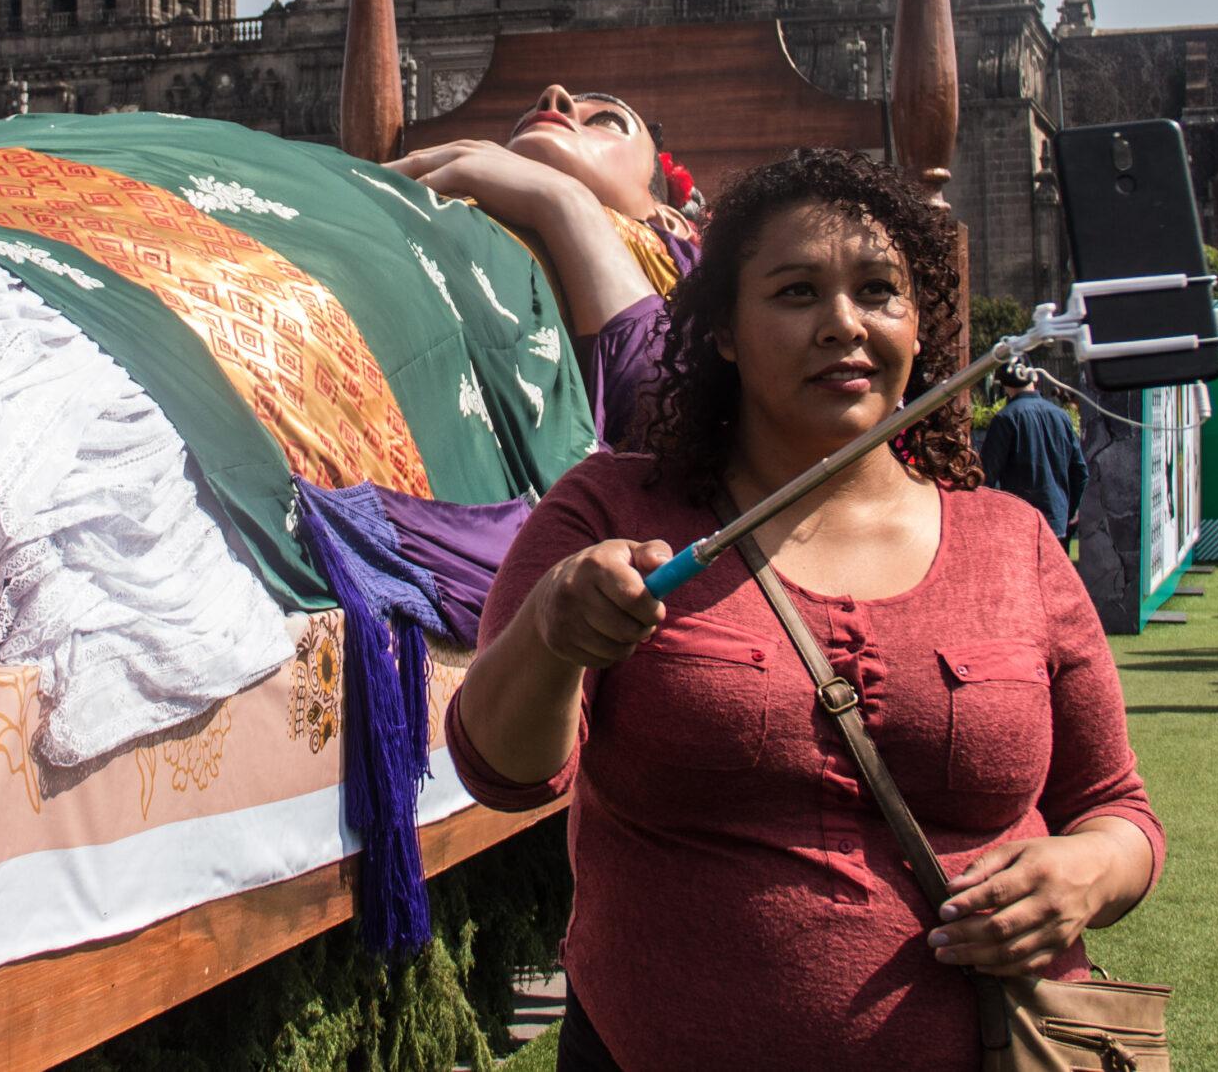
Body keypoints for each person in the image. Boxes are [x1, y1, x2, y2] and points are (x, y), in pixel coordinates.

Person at [447, 149, 1162, 1068]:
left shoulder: (1012, 541)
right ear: (726, 332)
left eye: (878, 291)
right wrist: (554, 630)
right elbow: (502, 770)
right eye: (795, 293)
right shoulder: (614, 511)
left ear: (920, 325)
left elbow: (1116, 808)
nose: (843, 325)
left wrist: (1088, 872)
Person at [390, 85, 698, 447]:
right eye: (522, 126)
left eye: (606, 120)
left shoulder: (676, 277)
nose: (553, 96)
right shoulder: (438, 205)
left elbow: (666, 424)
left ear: (668, 220)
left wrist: (565, 202)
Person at [979, 360, 1088, 542]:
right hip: (1056, 525)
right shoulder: (1061, 417)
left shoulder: (1005, 419)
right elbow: (1080, 472)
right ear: (1035, 376)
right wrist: (1067, 513)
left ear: (1003, 384)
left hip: (1019, 525)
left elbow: (986, 477)